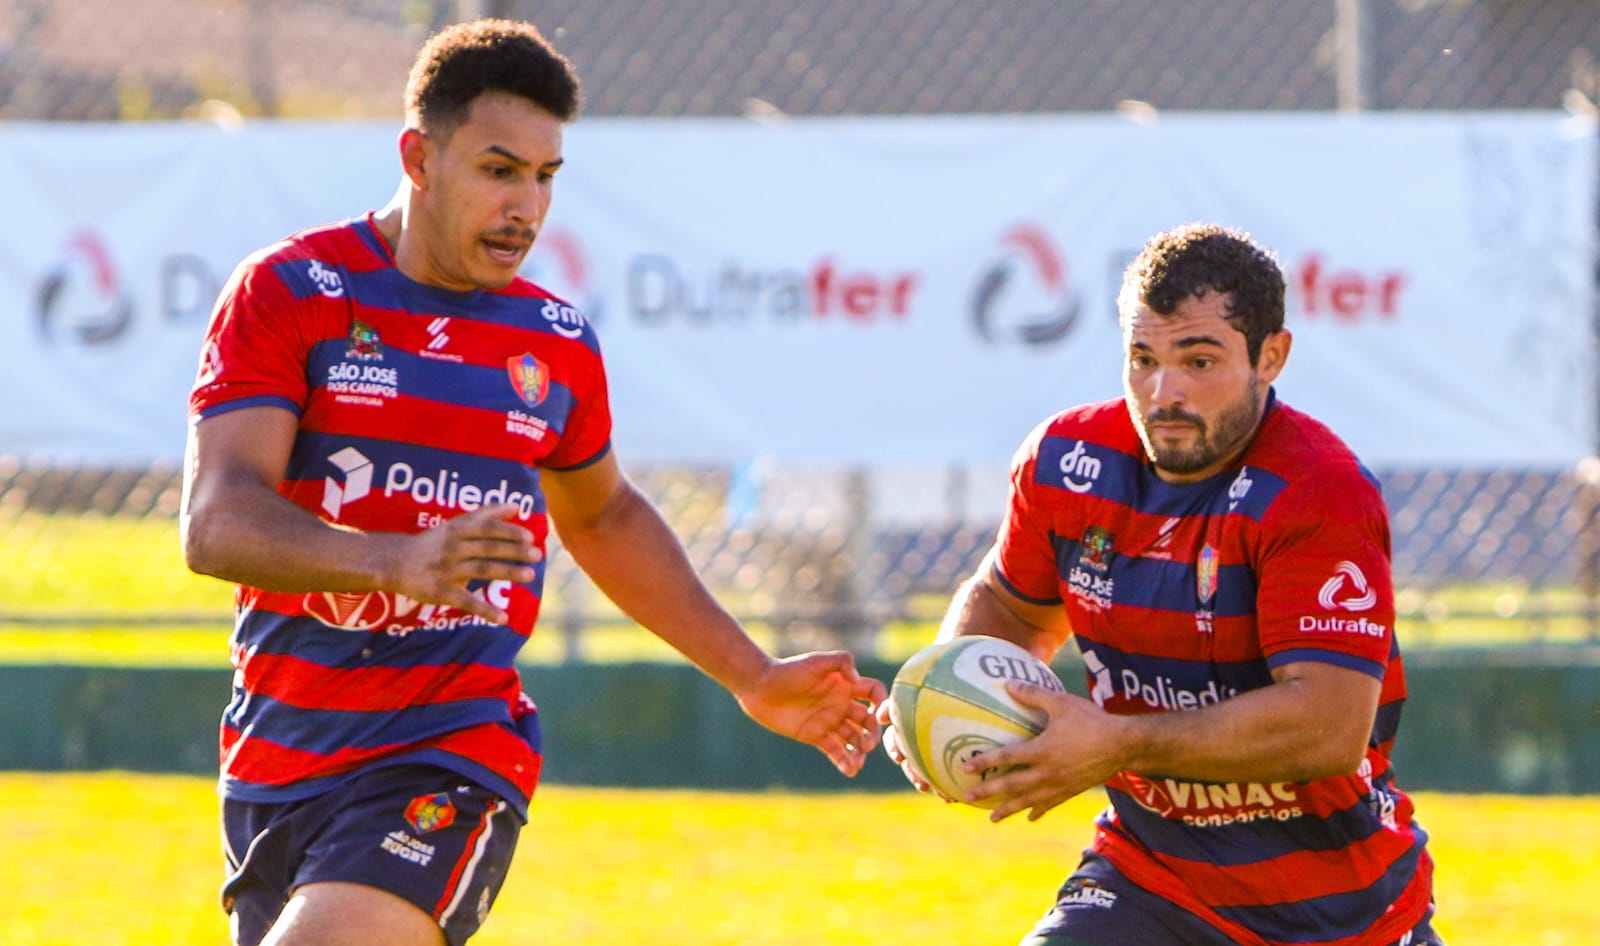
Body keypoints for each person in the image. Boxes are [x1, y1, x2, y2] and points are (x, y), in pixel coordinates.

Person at [180, 18, 884, 946]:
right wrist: (396, 560)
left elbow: (606, 517)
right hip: (277, 758)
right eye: (499, 169)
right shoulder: (293, 290)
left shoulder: (551, 342)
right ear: (418, 158)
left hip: (450, 750)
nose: (526, 207)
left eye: (546, 178)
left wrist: (750, 674)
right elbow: (216, 522)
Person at [881, 223, 1441, 946]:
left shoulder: (1316, 491)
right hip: (1148, 880)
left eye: (1199, 360)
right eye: (1142, 359)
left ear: (1272, 356)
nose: (1163, 392)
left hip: (1340, 914)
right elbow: (1008, 606)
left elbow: (1328, 727)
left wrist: (1115, 743)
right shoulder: (1067, 462)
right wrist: (945, 698)